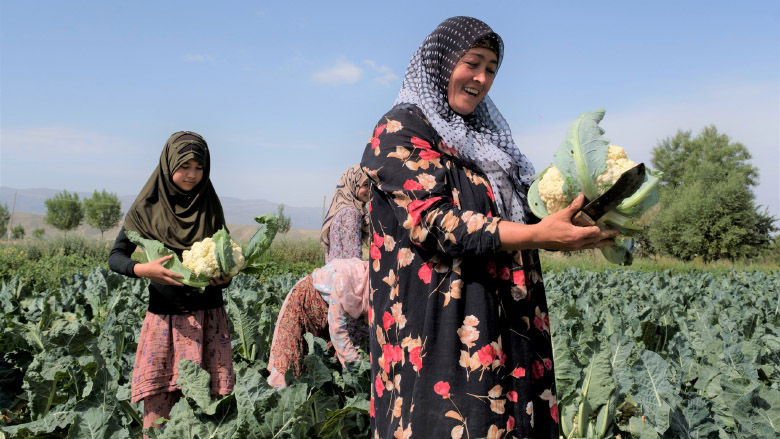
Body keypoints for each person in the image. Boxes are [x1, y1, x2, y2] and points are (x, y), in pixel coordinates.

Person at [360, 17, 617, 439]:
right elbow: (440, 224)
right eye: (472, 63)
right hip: (442, 330)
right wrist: (538, 235)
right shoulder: (399, 130)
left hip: (505, 321)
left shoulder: (485, 140)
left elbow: (525, 215)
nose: (481, 78)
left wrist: (586, 217)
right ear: (440, 64)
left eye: (492, 69)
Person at [108, 131, 235, 434]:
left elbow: (224, 259)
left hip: (209, 320)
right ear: (168, 165)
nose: (192, 175)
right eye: (185, 166)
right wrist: (144, 269)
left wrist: (225, 276)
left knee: (210, 413)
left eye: (199, 167)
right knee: (160, 407)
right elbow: (116, 256)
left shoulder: (210, 207)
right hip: (165, 320)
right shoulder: (147, 208)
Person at [266, 257, 370, 389]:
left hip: (326, 316)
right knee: (288, 364)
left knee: (322, 368)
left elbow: (365, 330)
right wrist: (357, 369)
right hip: (303, 305)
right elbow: (338, 331)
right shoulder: (345, 281)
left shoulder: (370, 283)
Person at [320, 164, 370, 263]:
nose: (370, 189)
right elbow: (353, 258)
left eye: (371, 185)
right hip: (346, 276)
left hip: (336, 274)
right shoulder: (351, 213)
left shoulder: (340, 209)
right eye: (365, 185)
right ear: (352, 184)